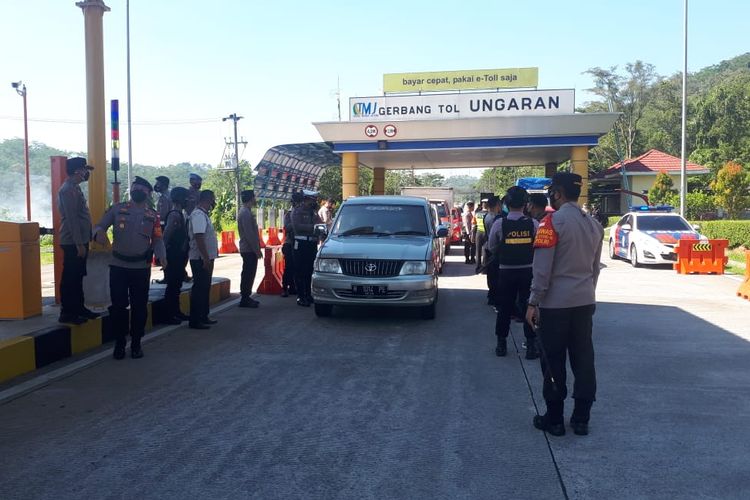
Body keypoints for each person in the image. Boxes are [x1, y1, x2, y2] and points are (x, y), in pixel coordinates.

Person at [526, 173, 604, 437]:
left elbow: (542, 270)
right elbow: (595, 270)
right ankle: (581, 419)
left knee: (553, 361)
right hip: (584, 303)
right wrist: (585, 294)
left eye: (552, 192)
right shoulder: (594, 225)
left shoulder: (551, 224)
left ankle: (555, 419)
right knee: (584, 359)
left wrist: (533, 301)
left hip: (555, 306)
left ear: (557, 194)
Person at [93, 176, 166, 359]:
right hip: (118, 266)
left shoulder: (153, 215)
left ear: (148, 193)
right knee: (118, 307)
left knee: (139, 307)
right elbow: (99, 226)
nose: (137, 191)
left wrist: (163, 257)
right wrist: (99, 233)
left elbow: (157, 239)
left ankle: (136, 343)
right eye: (135, 188)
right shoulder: (117, 210)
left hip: (141, 267)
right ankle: (119, 343)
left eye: (142, 189)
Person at [487, 186, 539, 360]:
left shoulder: (499, 223)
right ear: (526, 204)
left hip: (506, 273)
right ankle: (531, 346)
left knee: (505, 309)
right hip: (528, 272)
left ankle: (501, 344)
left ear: (507, 203)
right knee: (528, 308)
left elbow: (492, 246)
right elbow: (538, 247)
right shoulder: (533, 224)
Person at [57, 157, 98, 324]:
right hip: (73, 241)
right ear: (77, 171)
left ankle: (79, 308)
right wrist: (79, 244)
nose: (86, 173)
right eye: (84, 169)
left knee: (79, 275)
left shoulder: (75, 188)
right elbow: (72, 219)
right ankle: (67, 312)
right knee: (70, 277)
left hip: (80, 239)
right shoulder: (67, 190)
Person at [187, 190, 219, 329]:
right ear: (208, 199)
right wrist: (206, 258)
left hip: (205, 257)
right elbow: (199, 238)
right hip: (200, 258)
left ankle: (203, 316)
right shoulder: (198, 215)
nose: (214, 202)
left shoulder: (203, 215)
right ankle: (196, 319)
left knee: (205, 288)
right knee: (199, 288)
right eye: (213, 199)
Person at [162, 186, 190, 324]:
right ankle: (169, 315)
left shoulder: (180, 214)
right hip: (173, 256)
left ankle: (176, 311)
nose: (188, 201)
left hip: (179, 256)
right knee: (172, 286)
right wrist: (162, 255)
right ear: (180, 199)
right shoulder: (174, 215)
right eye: (186, 198)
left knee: (177, 285)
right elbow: (166, 236)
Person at [291, 190, 322, 307]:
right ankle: (301, 296)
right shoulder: (297, 211)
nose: (314, 202)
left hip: (312, 244)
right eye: (312, 200)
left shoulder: (313, 213)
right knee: (300, 270)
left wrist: (319, 228)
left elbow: (320, 224)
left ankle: (308, 295)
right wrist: (313, 227)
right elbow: (297, 227)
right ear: (306, 200)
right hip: (301, 244)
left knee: (309, 270)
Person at [237, 190, 262, 308]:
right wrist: (256, 250)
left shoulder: (246, 211)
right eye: (254, 197)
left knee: (249, 273)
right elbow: (249, 234)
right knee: (248, 273)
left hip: (248, 248)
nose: (255, 199)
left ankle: (246, 296)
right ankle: (245, 297)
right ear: (251, 198)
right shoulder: (245, 213)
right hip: (248, 249)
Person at [482, 195, 503, 306]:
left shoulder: (486, 216)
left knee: (491, 274)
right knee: (495, 275)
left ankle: (491, 295)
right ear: (497, 205)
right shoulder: (496, 218)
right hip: (494, 249)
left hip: (488, 247)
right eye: (500, 204)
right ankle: (494, 297)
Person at [281, 192, 301, 297]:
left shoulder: (303, 213)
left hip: (299, 243)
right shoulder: (289, 214)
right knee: (289, 267)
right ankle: (284, 288)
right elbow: (287, 227)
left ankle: (293, 287)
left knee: (297, 267)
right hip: (289, 244)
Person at [474, 198, 489, 273]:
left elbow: (474, 224)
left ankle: (477, 268)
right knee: (485, 251)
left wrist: (472, 234)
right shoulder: (489, 214)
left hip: (478, 232)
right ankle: (484, 269)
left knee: (478, 251)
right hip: (486, 233)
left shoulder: (477, 213)